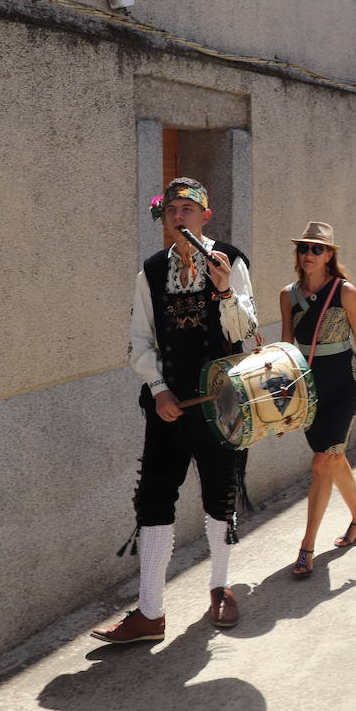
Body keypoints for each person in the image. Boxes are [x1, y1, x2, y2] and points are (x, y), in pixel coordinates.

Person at [94, 177, 257, 643]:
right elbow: (140, 341)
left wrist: (225, 289)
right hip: (168, 403)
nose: (179, 216)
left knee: (220, 493)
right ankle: (150, 611)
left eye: (188, 209)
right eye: (171, 211)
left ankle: (221, 587)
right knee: (154, 497)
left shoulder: (230, 259)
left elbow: (245, 326)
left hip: (221, 401)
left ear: (205, 216)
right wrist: (160, 389)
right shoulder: (150, 272)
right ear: (163, 220)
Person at [279, 222, 356, 577]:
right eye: (303, 249)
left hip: (343, 382)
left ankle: (307, 547)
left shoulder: (345, 291)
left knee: (323, 461)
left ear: (330, 255)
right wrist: (283, 399)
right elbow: (285, 349)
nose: (308, 255)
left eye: (316, 249)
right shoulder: (288, 295)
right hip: (309, 386)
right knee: (333, 458)